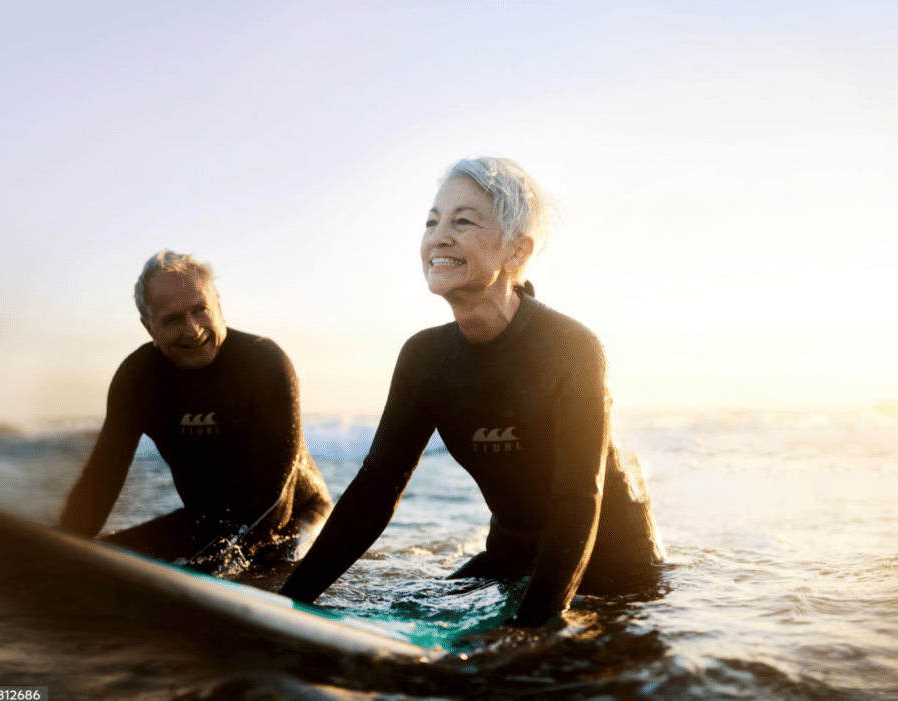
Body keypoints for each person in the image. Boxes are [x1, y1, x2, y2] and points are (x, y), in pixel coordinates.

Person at [280, 158, 665, 626]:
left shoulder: (571, 348)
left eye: (462, 221)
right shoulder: (425, 359)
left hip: (613, 566)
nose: (439, 236)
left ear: (517, 252)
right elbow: (376, 490)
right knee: (409, 612)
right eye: (432, 221)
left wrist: (532, 629)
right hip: (508, 561)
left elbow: (577, 499)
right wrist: (290, 601)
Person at [59, 250, 332, 573]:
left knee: (271, 565)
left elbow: (275, 503)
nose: (193, 330)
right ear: (149, 329)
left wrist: (218, 567)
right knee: (96, 558)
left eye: (200, 311)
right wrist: (61, 548)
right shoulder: (137, 379)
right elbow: (101, 480)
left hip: (294, 516)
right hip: (203, 524)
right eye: (173, 319)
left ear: (219, 306)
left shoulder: (264, 364)